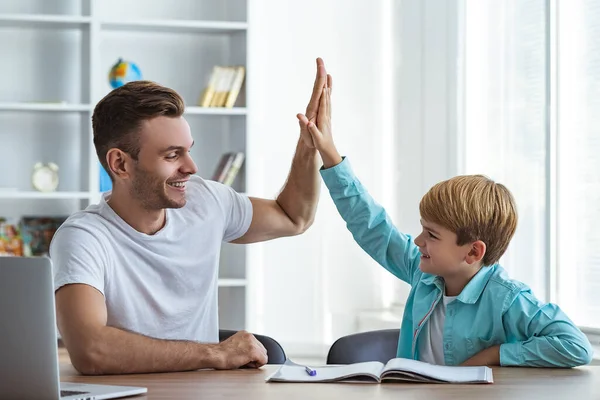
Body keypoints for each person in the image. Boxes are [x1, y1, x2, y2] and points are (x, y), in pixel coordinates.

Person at [51, 59, 332, 375]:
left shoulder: (206, 200)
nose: (191, 167)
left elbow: (293, 217)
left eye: (188, 150)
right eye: (172, 155)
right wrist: (215, 354)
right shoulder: (84, 237)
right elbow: (91, 350)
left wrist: (309, 144)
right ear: (120, 164)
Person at [298, 79, 593, 368]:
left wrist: (494, 355)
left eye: (432, 235)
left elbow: (576, 346)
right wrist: (329, 151)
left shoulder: (507, 299)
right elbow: (370, 224)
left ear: (473, 252)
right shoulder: (423, 272)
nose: (417, 241)